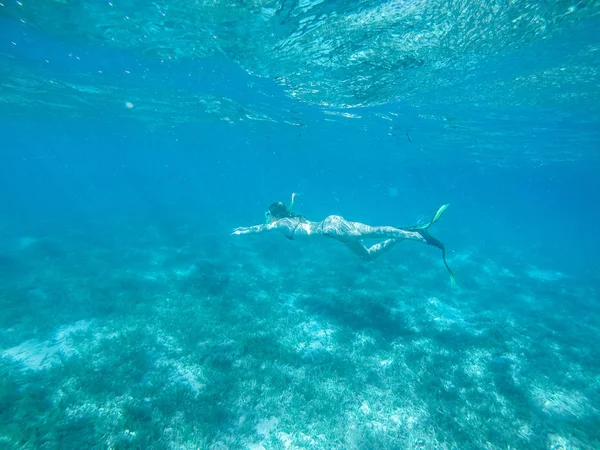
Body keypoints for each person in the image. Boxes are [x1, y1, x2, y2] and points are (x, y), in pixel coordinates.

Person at [232, 193, 455, 283]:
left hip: (331, 229)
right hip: (333, 226)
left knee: (371, 232)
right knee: (367, 254)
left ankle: (416, 236)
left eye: (268, 214)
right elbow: (282, 212)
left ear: (274, 216)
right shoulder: (288, 218)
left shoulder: (280, 223)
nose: (267, 218)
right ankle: (406, 234)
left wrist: (242, 231)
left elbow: (261, 229)